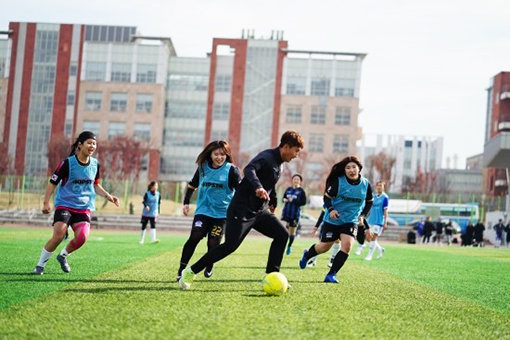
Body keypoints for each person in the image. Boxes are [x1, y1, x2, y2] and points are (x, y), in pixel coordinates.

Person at [179, 131, 304, 290]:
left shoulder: (279, 162)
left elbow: (269, 183)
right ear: (287, 147)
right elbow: (249, 169)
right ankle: (190, 271)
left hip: (259, 211)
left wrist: (272, 200)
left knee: (282, 235)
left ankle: (272, 276)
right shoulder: (267, 157)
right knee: (229, 246)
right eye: (296, 151)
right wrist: (258, 187)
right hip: (241, 209)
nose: (296, 155)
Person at [33, 131, 119, 275]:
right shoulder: (67, 163)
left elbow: (95, 185)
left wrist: (108, 196)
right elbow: (53, 183)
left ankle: (63, 256)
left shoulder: (95, 164)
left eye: (94, 143)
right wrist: (45, 202)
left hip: (84, 207)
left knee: (82, 237)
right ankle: (40, 265)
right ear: (80, 145)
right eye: (89, 143)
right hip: (65, 205)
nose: (92, 146)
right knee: (59, 234)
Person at [298, 156, 373, 283]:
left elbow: (370, 202)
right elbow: (326, 198)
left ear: (359, 168)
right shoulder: (338, 182)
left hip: (351, 220)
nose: (351, 170)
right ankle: (307, 254)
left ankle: (331, 275)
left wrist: (363, 215)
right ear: (344, 171)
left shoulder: (365, 184)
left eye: (354, 167)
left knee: (347, 246)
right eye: (348, 168)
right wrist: (331, 209)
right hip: (333, 220)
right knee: (325, 246)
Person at [176, 140, 241, 281]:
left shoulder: (232, 170)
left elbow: (240, 191)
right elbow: (192, 185)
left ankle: (209, 264)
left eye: (223, 154)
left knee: (213, 242)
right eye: (216, 154)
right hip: (203, 211)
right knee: (195, 236)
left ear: (227, 155)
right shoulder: (203, 168)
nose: (219, 157)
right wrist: (186, 202)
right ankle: (181, 269)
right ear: (210, 154)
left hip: (222, 214)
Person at [356, 180, 389, 260]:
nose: (379, 187)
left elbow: (385, 210)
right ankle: (380, 249)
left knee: (373, 238)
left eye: (381, 186)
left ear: (383, 187)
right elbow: (369, 207)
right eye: (378, 185)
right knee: (368, 238)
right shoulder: (373, 196)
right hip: (370, 220)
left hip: (378, 221)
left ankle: (369, 255)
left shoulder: (385, 198)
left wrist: (385, 222)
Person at [282, 174, 307, 255]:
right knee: (282, 229)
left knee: (292, 233)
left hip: (295, 214)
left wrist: (293, 200)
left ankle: (289, 246)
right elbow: (284, 198)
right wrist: (284, 200)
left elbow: (303, 202)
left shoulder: (301, 191)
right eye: (294, 179)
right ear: (292, 180)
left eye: (297, 179)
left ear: (300, 181)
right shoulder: (288, 189)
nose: (296, 180)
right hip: (286, 213)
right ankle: (282, 245)